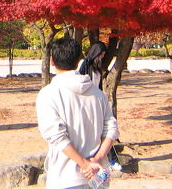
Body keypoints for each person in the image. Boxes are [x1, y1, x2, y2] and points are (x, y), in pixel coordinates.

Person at [36, 37, 119, 189]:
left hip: (66, 177)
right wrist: (97, 159)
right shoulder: (98, 94)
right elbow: (111, 128)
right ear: (78, 60)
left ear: (52, 61)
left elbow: (56, 136)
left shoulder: (48, 94)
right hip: (98, 177)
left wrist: (84, 164)